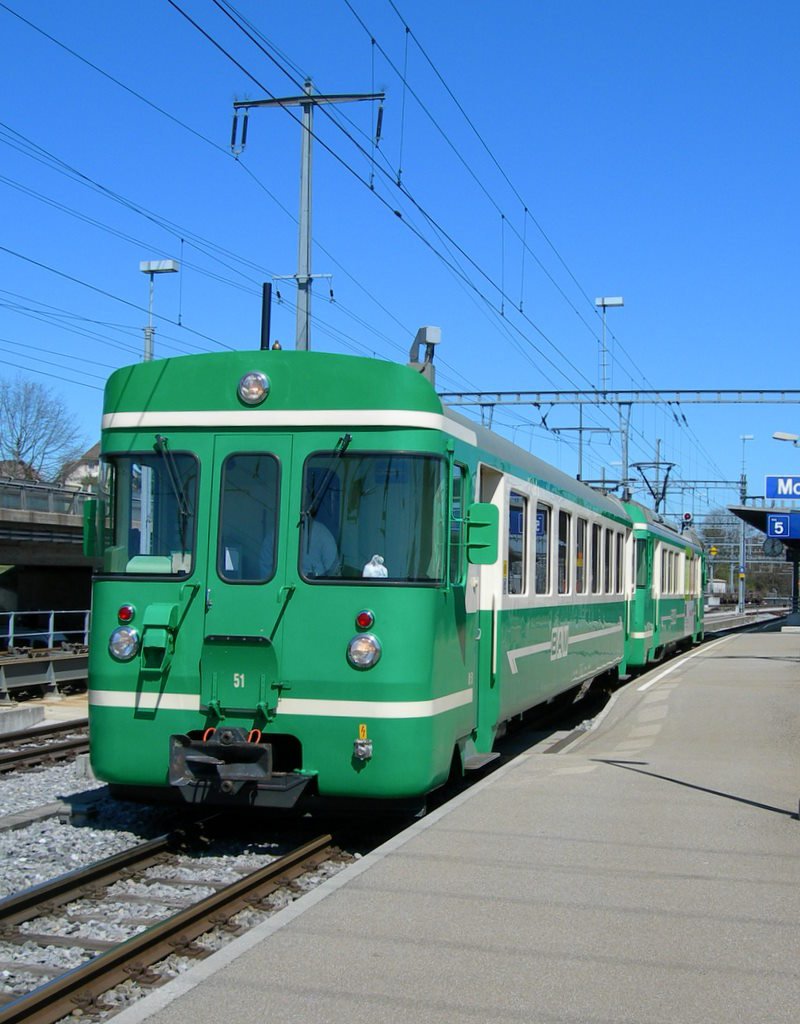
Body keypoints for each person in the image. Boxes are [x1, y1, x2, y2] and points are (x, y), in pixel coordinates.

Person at [258, 518, 340, 578]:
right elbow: (334, 571)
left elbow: (333, 570)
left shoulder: (322, 534)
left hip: (316, 592)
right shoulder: (273, 536)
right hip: (316, 592)